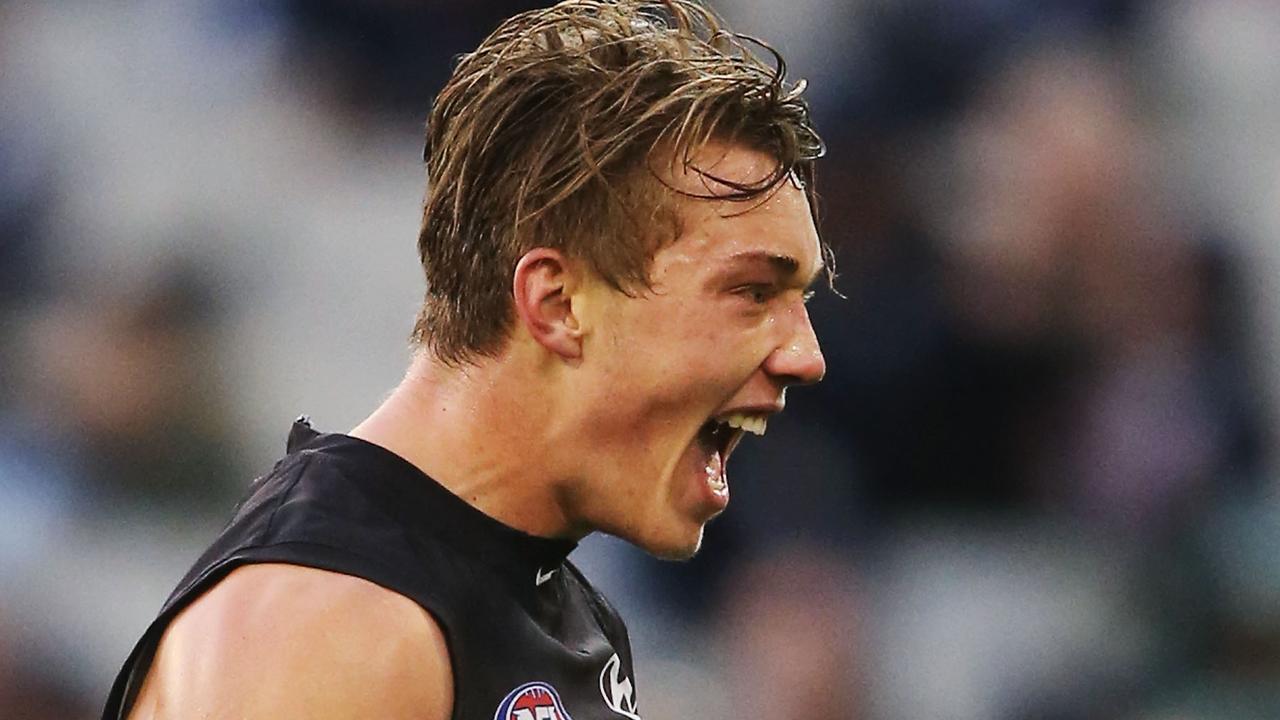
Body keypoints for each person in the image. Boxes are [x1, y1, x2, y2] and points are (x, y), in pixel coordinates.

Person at [103, 1, 829, 718]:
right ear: (558, 304)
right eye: (751, 291)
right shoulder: (332, 625)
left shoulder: (549, 606)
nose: (806, 356)